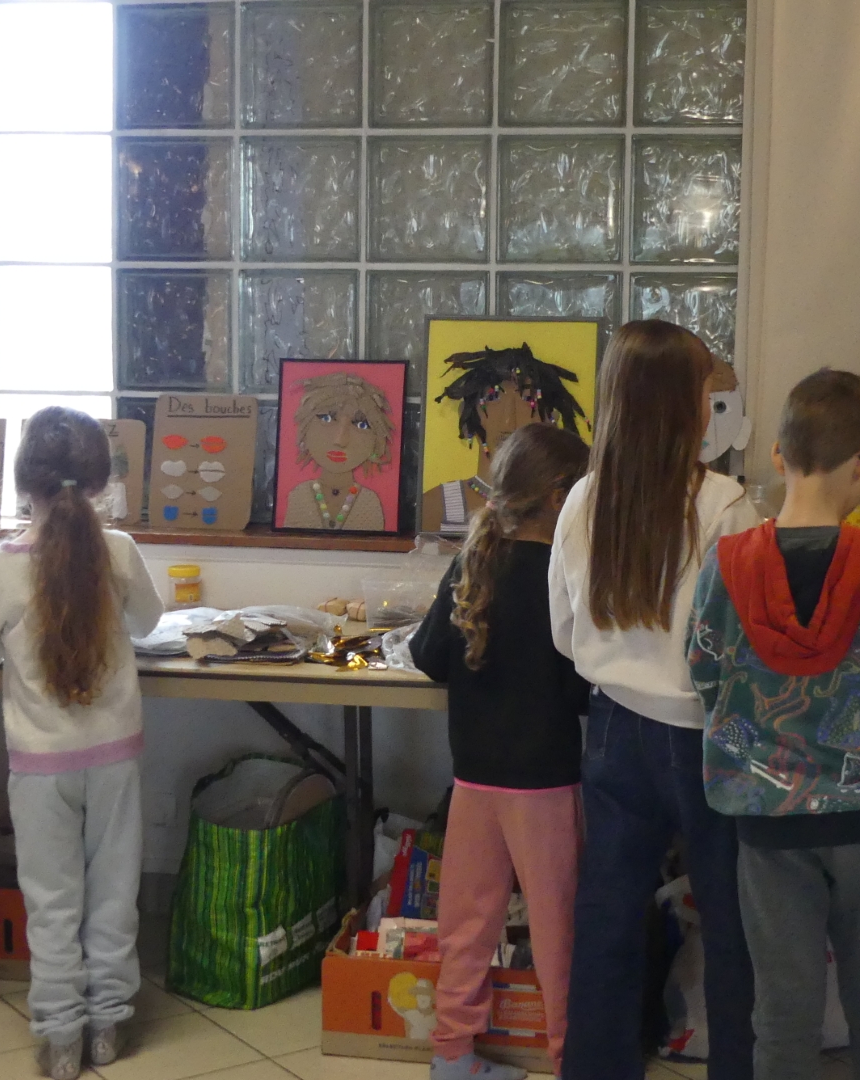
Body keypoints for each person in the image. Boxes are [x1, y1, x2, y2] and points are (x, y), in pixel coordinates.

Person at [687, 370, 860, 1080]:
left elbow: (704, 676)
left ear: (778, 454)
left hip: (765, 821)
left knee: (782, 1015)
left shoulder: (724, 567)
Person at [549, 319, 762, 1080]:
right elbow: (745, 642)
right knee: (730, 917)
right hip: (704, 732)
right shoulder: (725, 505)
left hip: (612, 723)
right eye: (706, 391)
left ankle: (595, 1068)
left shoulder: (581, 499)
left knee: (607, 912)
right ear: (684, 404)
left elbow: (564, 631)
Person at [0, 406, 164, 1080]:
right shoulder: (120, 552)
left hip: (40, 764)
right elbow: (150, 622)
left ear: (24, 481)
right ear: (100, 482)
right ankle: (109, 1026)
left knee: (51, 901)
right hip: (114, 755)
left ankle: (61, 1036)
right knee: (114, 893)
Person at [410, 423, 591, 1080]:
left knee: (464, 924)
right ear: (560, 497)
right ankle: (570, 1058)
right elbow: (581, 689)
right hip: (544, 784)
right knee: (558, 929)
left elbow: (428, 657)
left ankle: (452, 1056)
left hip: (475, 780)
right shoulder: (565, 575)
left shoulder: (472, 563)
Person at [421, 344, 587, 534]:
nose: (510, 420)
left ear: (551, 421)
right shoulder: (437, 505)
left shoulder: (565, 505)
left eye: (528, 400)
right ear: (467, 418)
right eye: (493, 398)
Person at [281, 372, 395, 531]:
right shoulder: (299, 497)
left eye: (361, 425)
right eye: (326, 419)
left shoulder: (369, 502)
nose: (340, 440)